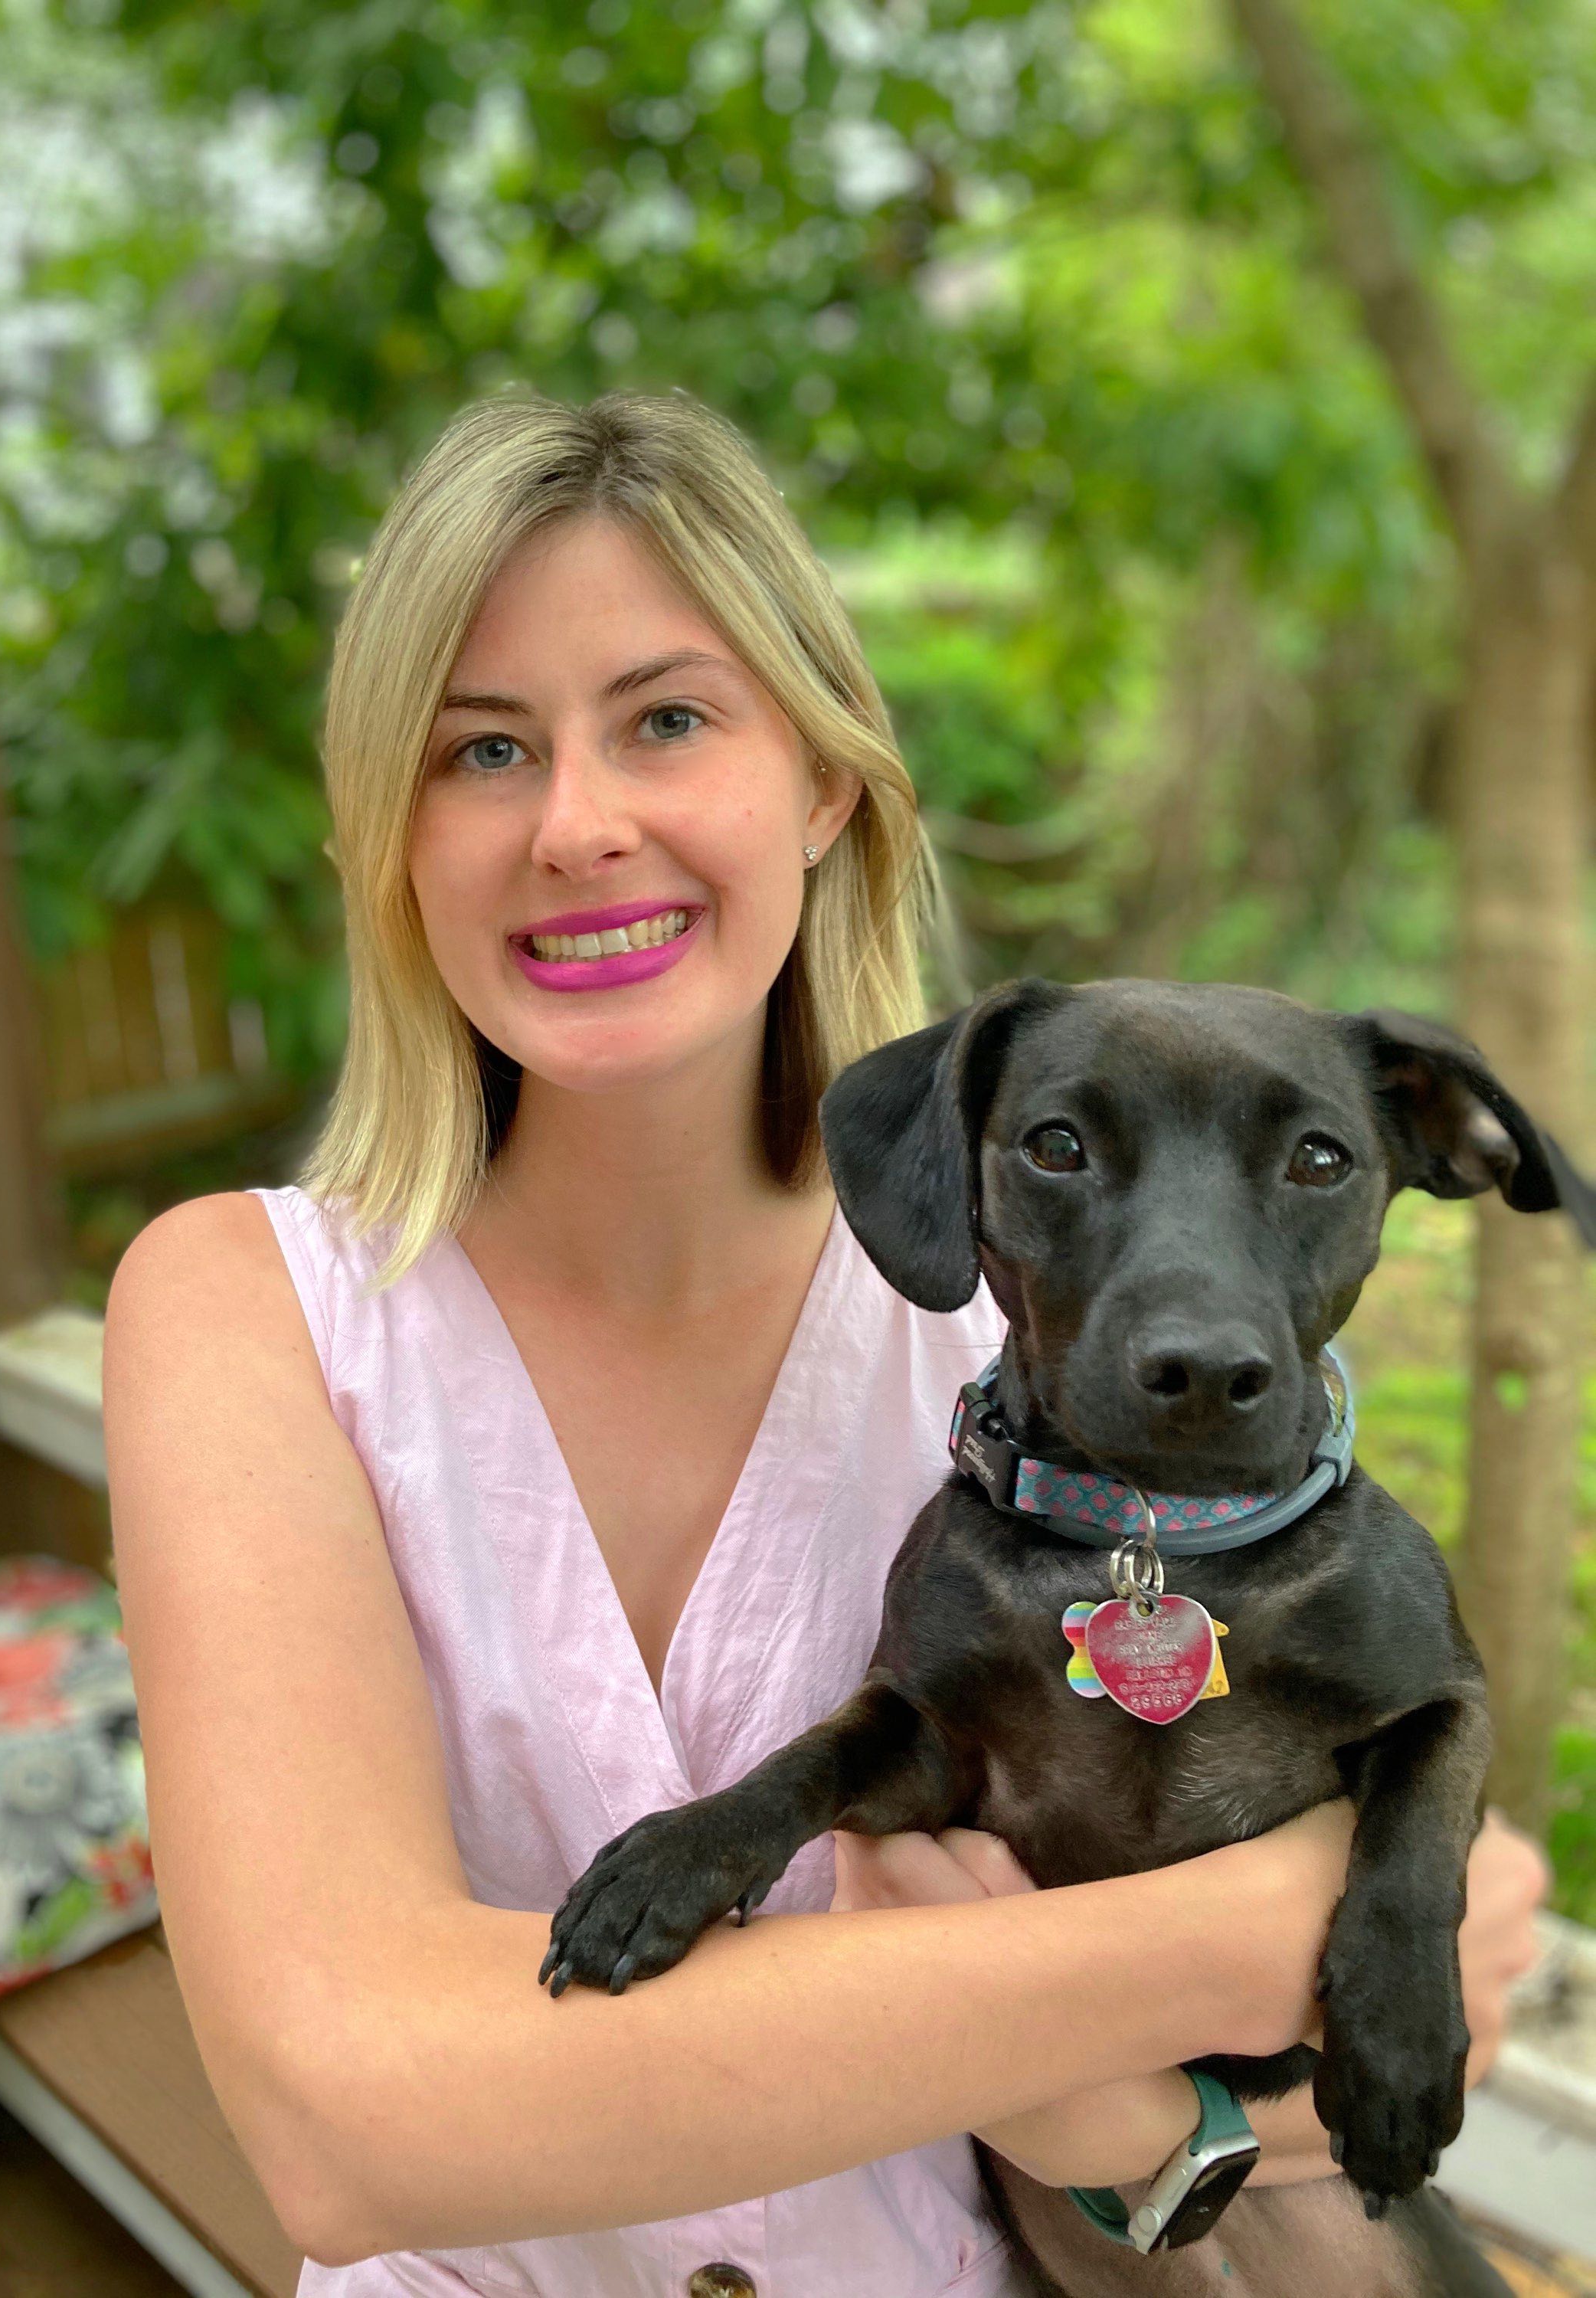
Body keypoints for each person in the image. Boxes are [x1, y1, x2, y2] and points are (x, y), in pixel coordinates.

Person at [103, 390, 1546, 2298]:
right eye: (482, 750)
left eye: (669, 718)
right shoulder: (247, 1309)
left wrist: (1147, 2113)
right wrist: (1211, 1950)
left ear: (825, 785)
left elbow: (1396, 2018)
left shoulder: (1053, 1321)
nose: (578, 824)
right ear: (386, 837)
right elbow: (349, 2120)